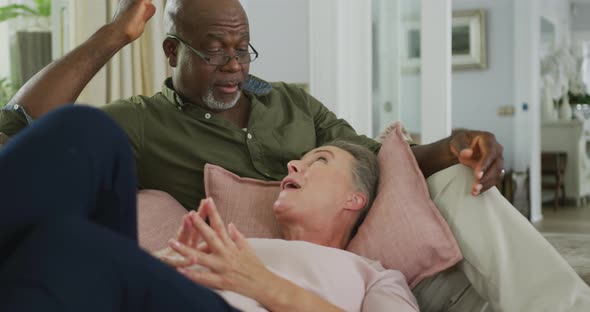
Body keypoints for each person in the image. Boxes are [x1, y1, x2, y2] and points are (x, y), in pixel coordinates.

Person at [1, 0, 589, 311]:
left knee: (461, 182)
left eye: (243, 48)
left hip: (362, 259)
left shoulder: (291, 103)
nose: (235, 64)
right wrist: (114, 34)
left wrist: (454, 145)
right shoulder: (145, 121)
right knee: (78, 148)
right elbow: (20, 124)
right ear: (173, 50)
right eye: (214, 51)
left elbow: (374, 155)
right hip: (237, 276)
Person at [0, 106, 417, 312]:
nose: (294, 164)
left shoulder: (374, 275)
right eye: (299, 159)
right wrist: (163, 264)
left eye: (318, 161)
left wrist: (260, 284)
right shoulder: (241, 244)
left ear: (354, 199)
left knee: (70, 243)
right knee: (88, 131)